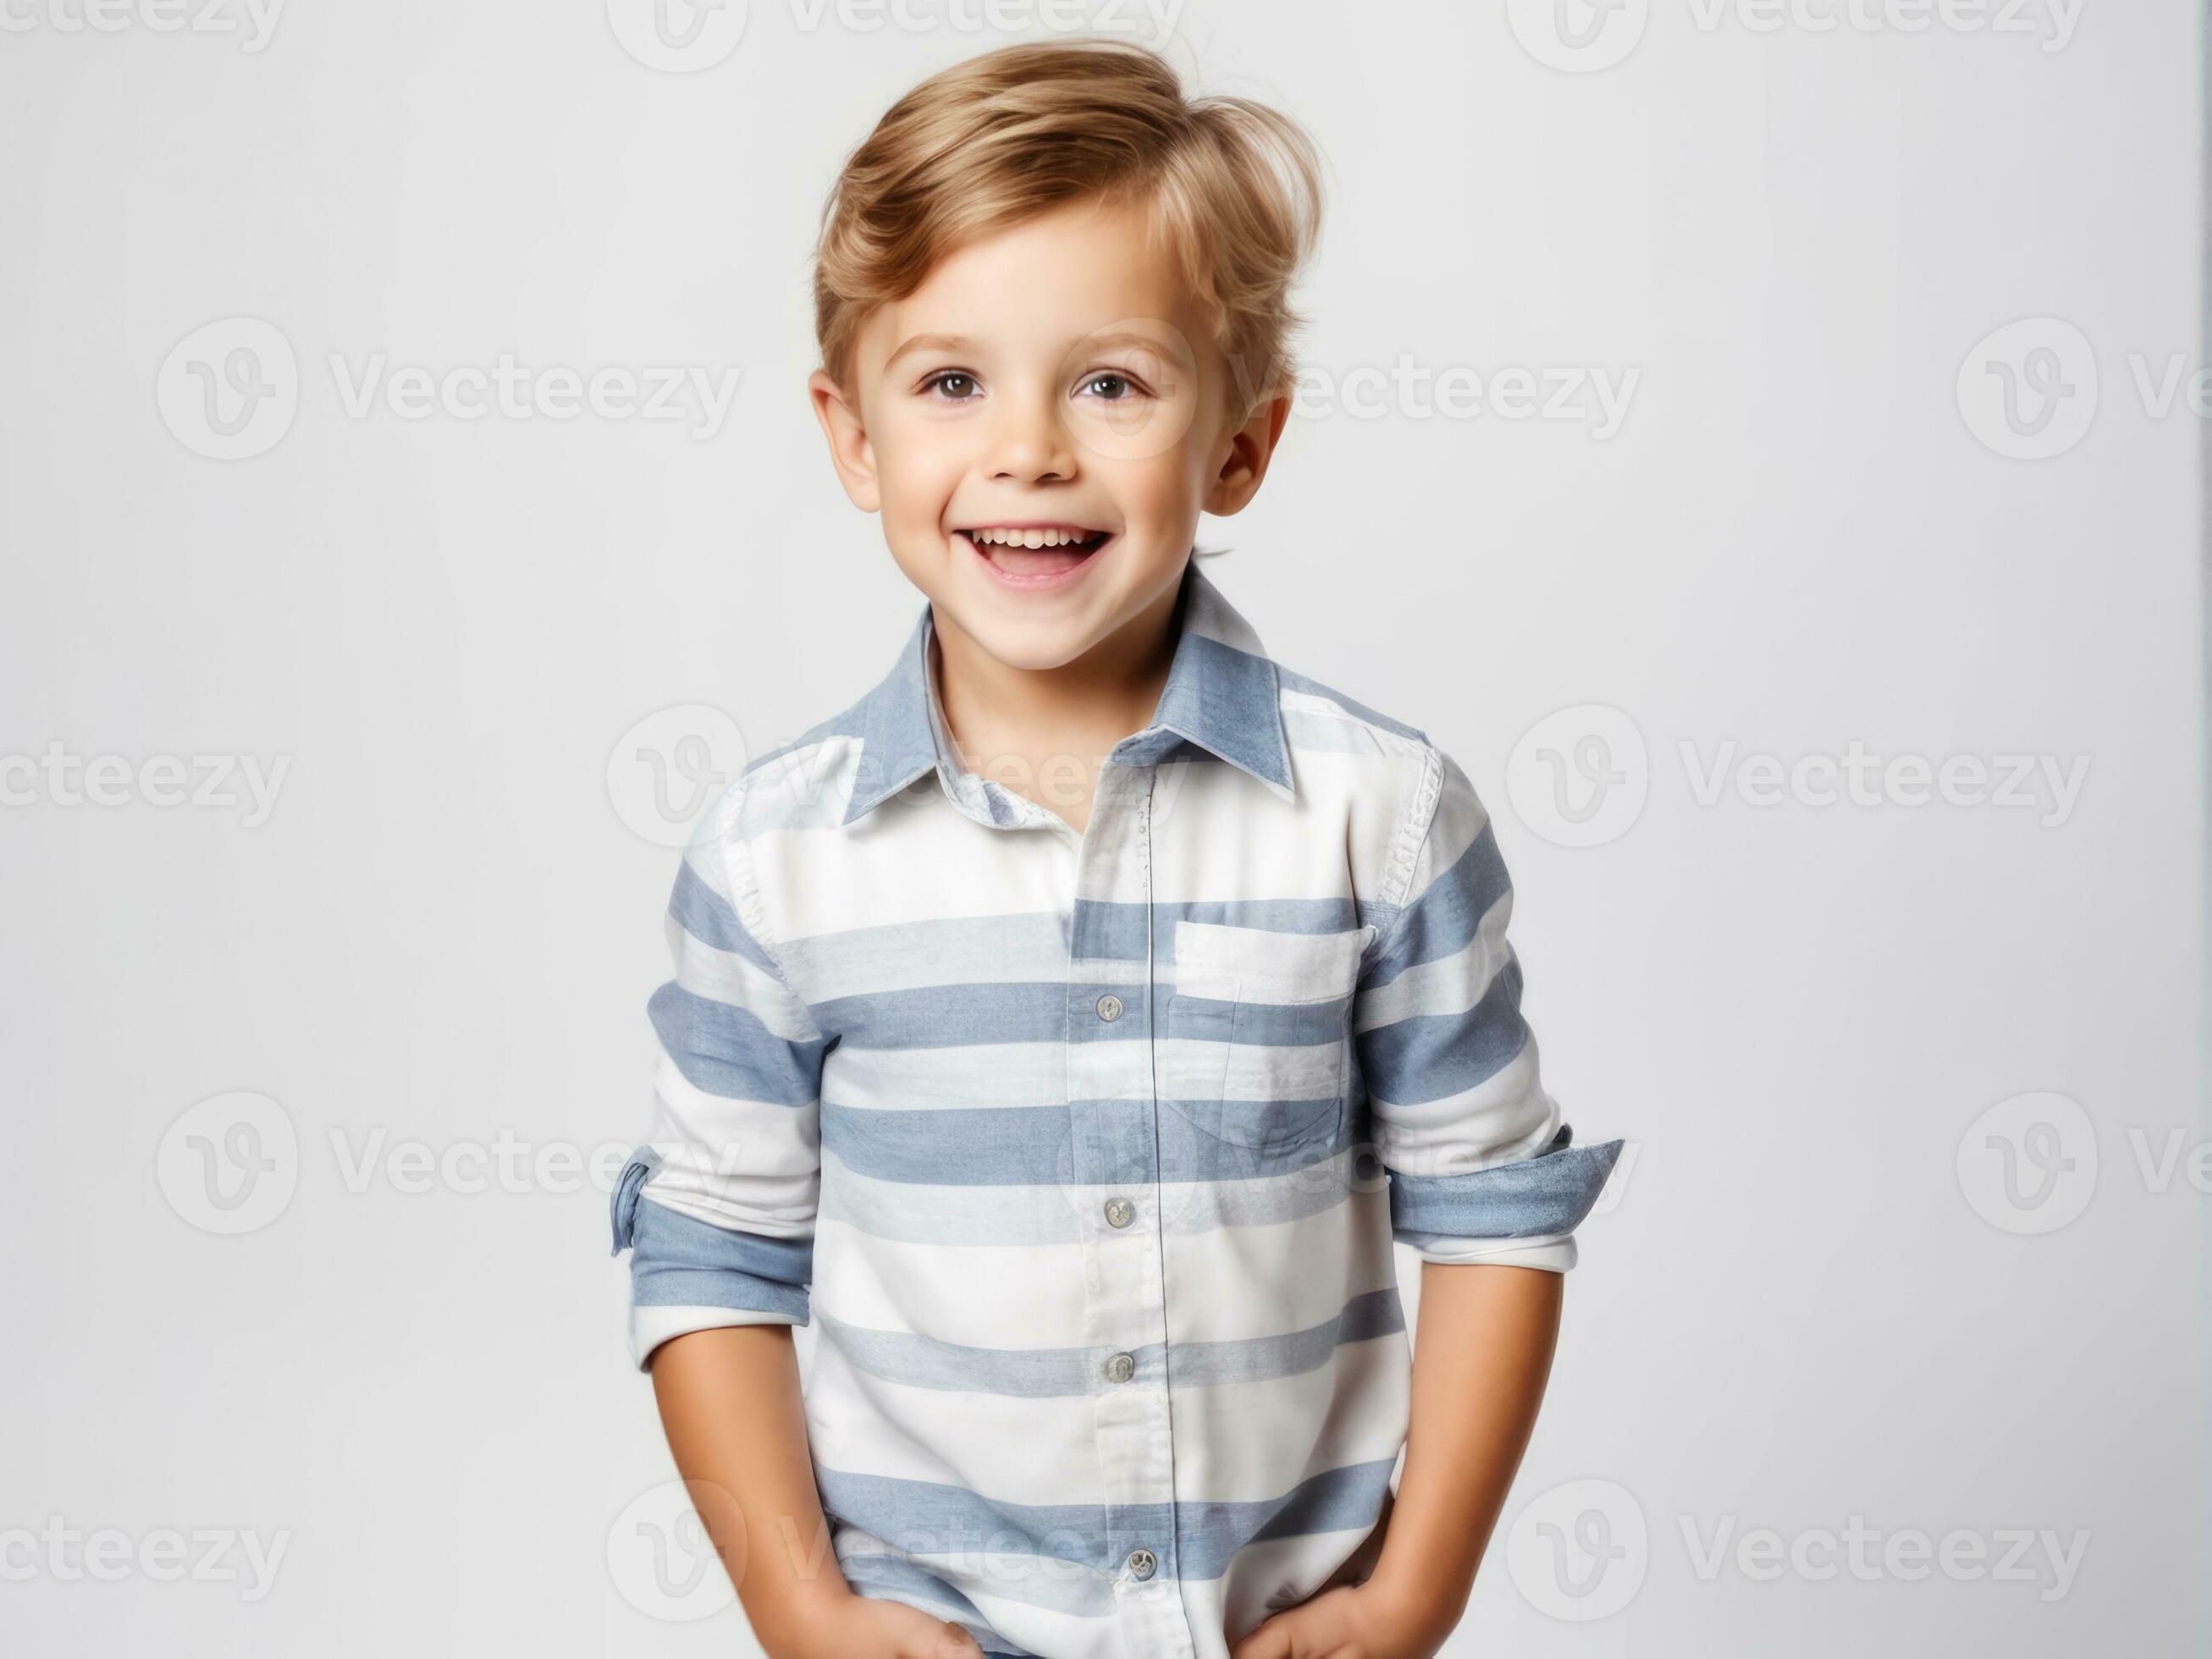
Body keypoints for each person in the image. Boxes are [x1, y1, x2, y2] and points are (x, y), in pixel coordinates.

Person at [609, 37, 1625, 1659]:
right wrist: (798, 1610)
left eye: (1112, 382)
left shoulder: (1377, 815)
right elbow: (715, 1249)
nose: (1029, 450)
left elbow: (1493, 1206)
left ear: (1238, 443)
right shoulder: (772, 857)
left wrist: (1415, 1593)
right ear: (852, 435)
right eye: (951, 382)